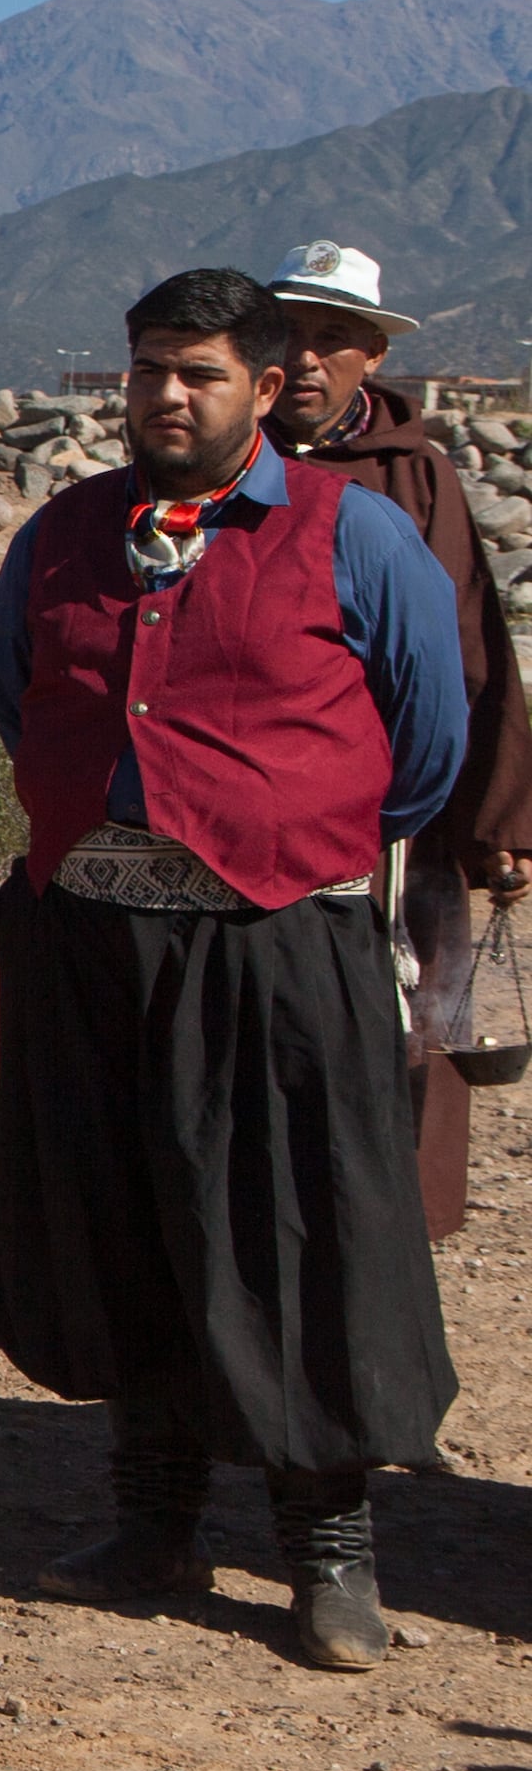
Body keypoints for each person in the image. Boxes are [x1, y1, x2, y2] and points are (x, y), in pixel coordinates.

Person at [0, 266, 465, 1672]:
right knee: (128, 1216)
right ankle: (153, 1514)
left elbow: (421, 743)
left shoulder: (353, 536)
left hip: (275, 940)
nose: (165, 397)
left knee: (300, 1230)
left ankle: (327, 1546)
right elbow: (24, 695)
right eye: (147, 370)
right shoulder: (66, 535)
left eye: (196, 374)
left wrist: (279, 834)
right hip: (95, 937)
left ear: (267, 387)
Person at [258, 241, 532, 1235]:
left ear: (371, 354)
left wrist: (497, 814)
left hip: (391, 807)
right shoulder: (217, 462)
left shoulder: (412, 478)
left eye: (333, 338)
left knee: (402, 1015)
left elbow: (469, 644)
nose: (308, 357)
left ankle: (386, 1240)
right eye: (289, 333)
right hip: (251, 800)